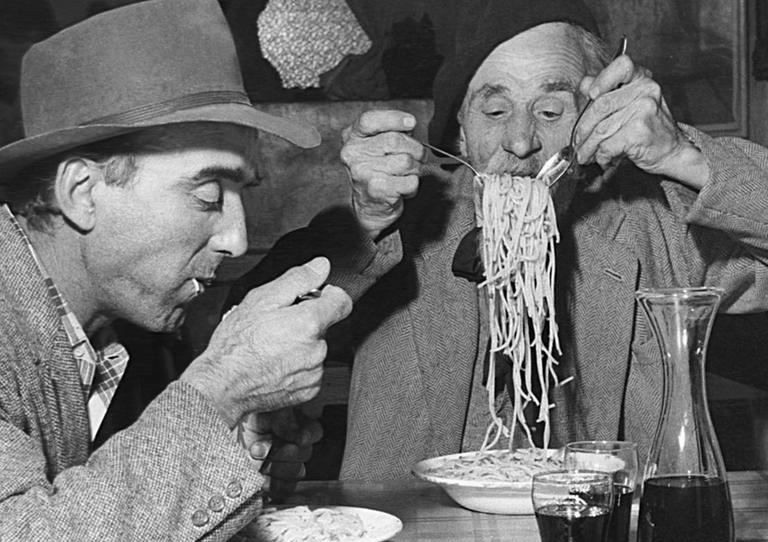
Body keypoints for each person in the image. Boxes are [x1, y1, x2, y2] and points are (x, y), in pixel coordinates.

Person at [227, 0, 768, 481]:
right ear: (460, 129)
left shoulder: (654, 225)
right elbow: (233, 328)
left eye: (551, 111)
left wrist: (686, 158)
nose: (521, 140)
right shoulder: (401, 225)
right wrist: (365, 221)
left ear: (598, 120)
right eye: (494, 110)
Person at [0, 0, 352, 542]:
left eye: (242, 197)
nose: (237, 239)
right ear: (82, 192)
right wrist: (220, 390)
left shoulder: (120, 329)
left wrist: (228, 454)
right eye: (208, 195)